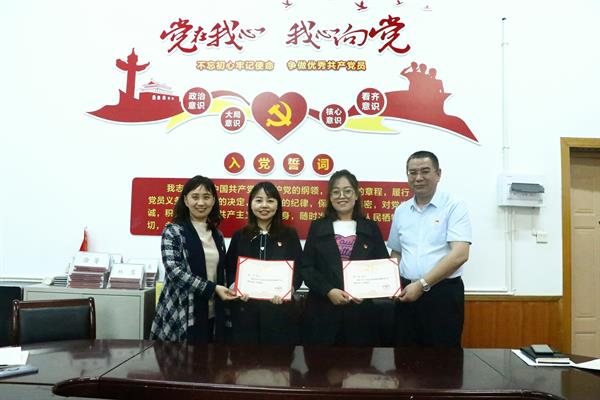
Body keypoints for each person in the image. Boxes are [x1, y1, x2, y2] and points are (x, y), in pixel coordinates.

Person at [388, 151, 471, 346]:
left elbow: (460, 254)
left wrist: (422, 284)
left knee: (442, 358)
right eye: (412, 172)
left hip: (442, 294)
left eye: (425, 171)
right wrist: (391, 284)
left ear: (438, 174)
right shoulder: (401, 211)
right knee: (404, 355)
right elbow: (397, 252)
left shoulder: (454, 206)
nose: (418, 178)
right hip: (406, 293)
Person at [300, 169, 389, 346]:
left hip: (360, 315)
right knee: (321, 362)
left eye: (347, 191)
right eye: (336, 192)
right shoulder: (318, 227)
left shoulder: (370, 227)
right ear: (330, 197)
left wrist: (367, 290)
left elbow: (383, 266)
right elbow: (306, 268)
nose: (342, 196)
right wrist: (328, 290)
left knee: (358, 361)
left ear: (356, 195)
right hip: (322, 312)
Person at [150, 175, 238, 342]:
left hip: (213, 312)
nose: (201, 203)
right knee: (183, 358)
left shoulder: (217, 235)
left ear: (213, 200)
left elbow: (223, 271)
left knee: (212, 357)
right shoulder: (173, 231)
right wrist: (212, 288)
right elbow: (174, 272)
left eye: (206, 197)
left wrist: (235, 287)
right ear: (186, 200)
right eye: (195, 197)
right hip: (183, 311)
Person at [225, 181, 303, 345]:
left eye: (270, 200)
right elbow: (229, 268)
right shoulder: (240, 235)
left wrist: (288, 290)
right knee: (245, 358)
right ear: (251, 204)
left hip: (280, 313)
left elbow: (299, 269)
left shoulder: (289, 235)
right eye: (259, 200)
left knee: (277, 358)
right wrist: (235, 288)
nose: (264, 205)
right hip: (245, 312)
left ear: (277, 205)